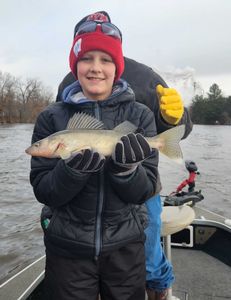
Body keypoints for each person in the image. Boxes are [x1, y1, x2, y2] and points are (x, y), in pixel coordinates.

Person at [56, 12, 193, 300]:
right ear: (77, 48)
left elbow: (183, 127)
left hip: (139, 182)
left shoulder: (146, 76)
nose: (96, 67)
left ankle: (159, 290)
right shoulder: (69, 81)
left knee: (149, 242)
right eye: (86, 52)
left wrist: (174, 118)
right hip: (89, 187)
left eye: (106, 54)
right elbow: (63, 132)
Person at [29, 16, 161, 300]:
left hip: (126, 247)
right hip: (67, 250)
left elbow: (145, 191)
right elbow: (44, 190)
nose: (96, 68)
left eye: (106, 59)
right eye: (87, 58)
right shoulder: (51, 118)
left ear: (117, 68)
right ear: (75, 65)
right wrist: (71, 172)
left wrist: (127, 169)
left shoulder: (140, 116)